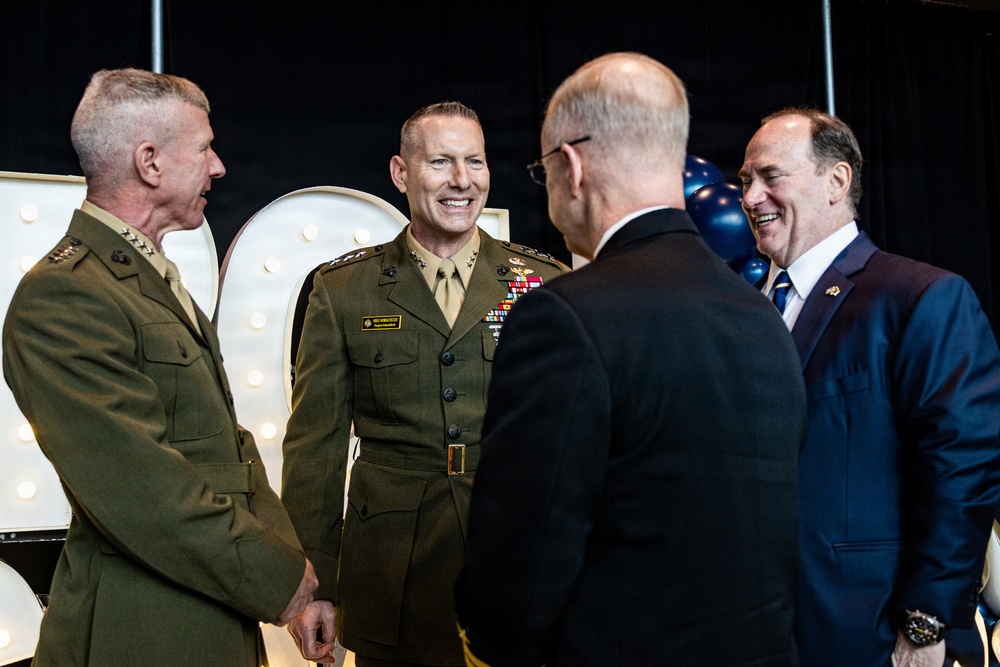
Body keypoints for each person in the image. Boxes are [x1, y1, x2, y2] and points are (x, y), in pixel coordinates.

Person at [453, 52, 807, 667]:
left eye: (543, 172)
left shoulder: (562, 319)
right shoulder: (763, 317)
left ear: (572, 165)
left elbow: (517, 575)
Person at [1, 68, 318, 666]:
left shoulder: (145, 278)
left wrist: (293, 574)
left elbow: (231, 449)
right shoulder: (64, 296)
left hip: (208, 609)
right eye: (204, 149)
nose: (218, 167)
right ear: (149, 162)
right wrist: (278, 577)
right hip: (142, 630)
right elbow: (145, 489)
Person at [281, 101, 568, 666]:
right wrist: (313, 583)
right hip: (393, 570)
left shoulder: (544, 284)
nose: (462, 181)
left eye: (475, 162)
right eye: (440, 162)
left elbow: (570, 438)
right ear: (400, 172)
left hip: (513, 554)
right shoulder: (345, 291)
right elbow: (316, 444)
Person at [738, 107, 1000, 667]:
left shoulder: (922, 297)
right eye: (745, 182)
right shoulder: (743, 312)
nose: (752, 197)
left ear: (837, 181)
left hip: (877, 634)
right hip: (759, 631)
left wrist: (928, 623)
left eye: (770, 177)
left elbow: (962, 469)